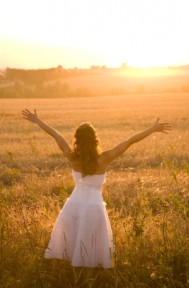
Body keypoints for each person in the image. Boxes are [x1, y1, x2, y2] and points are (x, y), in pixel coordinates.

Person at [22, 109, 171, 268]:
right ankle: (89, 280)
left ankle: (71, 280)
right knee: (90, 246)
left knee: (70, 244)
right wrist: (152, 129)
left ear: (76, 140)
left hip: (73, 206)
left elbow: (56, 135)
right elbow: (129, 141)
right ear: (95, 140)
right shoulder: (105, 158)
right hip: (94, 208)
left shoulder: (71, 156)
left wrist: (37, 121)